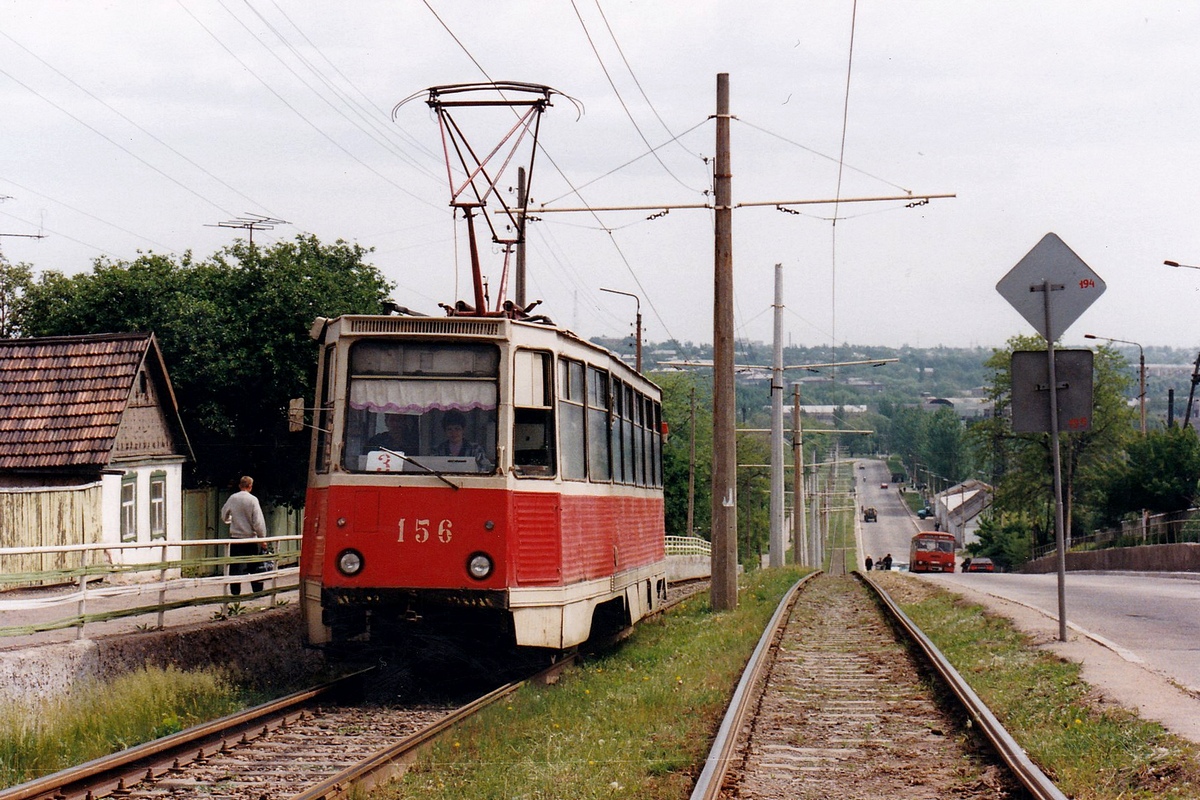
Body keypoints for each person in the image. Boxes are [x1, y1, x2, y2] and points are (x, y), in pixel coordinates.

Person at [221, 475, 267, 596]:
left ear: (239, 485)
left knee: (235, 567)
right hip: (250, 538)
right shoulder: (253, 500)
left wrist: (230, 520)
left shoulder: (232, 498)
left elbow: (224, 515)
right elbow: (258, 522)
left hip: (236, 538)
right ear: (250, 486)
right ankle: (257, 591)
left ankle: (235, 592)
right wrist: (263, 538)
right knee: (255, 566)